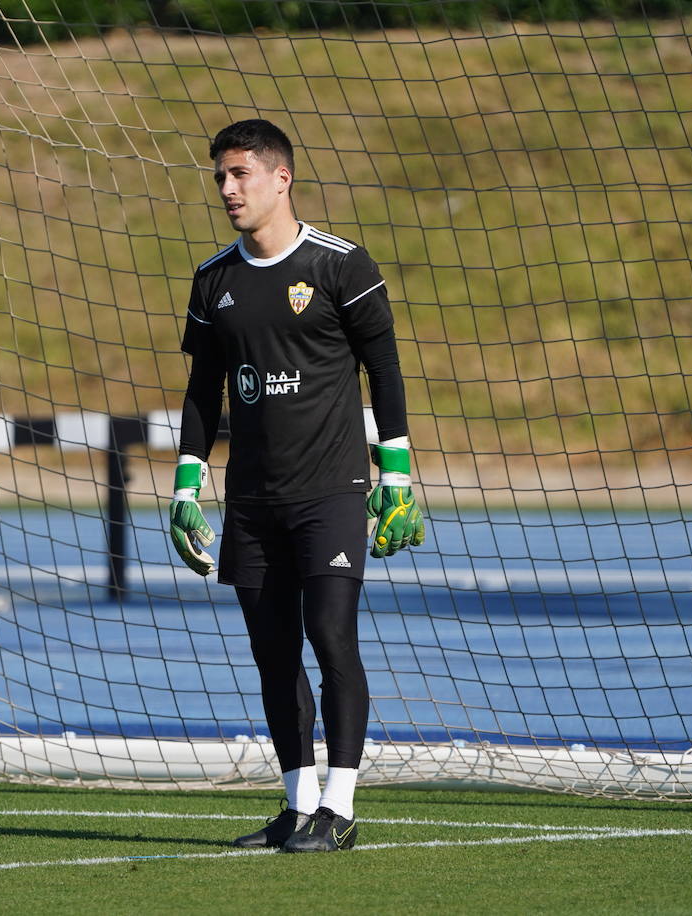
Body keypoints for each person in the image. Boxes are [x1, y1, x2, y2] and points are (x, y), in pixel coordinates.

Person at [168, 119, 425, 853]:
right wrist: (189, 486)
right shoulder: (213, 280)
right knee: (272, 652)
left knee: (329, 635)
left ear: (281, 179)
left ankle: (339, 811)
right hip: (251, 500)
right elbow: (201, 391)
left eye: (239, 174)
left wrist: (396, 472)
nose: (226, 188)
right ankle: (295, 805)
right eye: (219, 176)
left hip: (333, 490)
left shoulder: (343, 266)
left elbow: (387, 370)